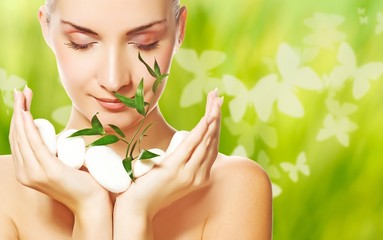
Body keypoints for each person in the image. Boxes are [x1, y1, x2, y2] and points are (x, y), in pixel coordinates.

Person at [0, 0, 272, 239]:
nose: (114, 79)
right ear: (46, 29)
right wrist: (90, 209)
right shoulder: (5, 190)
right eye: (81, 43)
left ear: (180, 30)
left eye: (145, 43)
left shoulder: (233, 188)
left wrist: (135, 214)